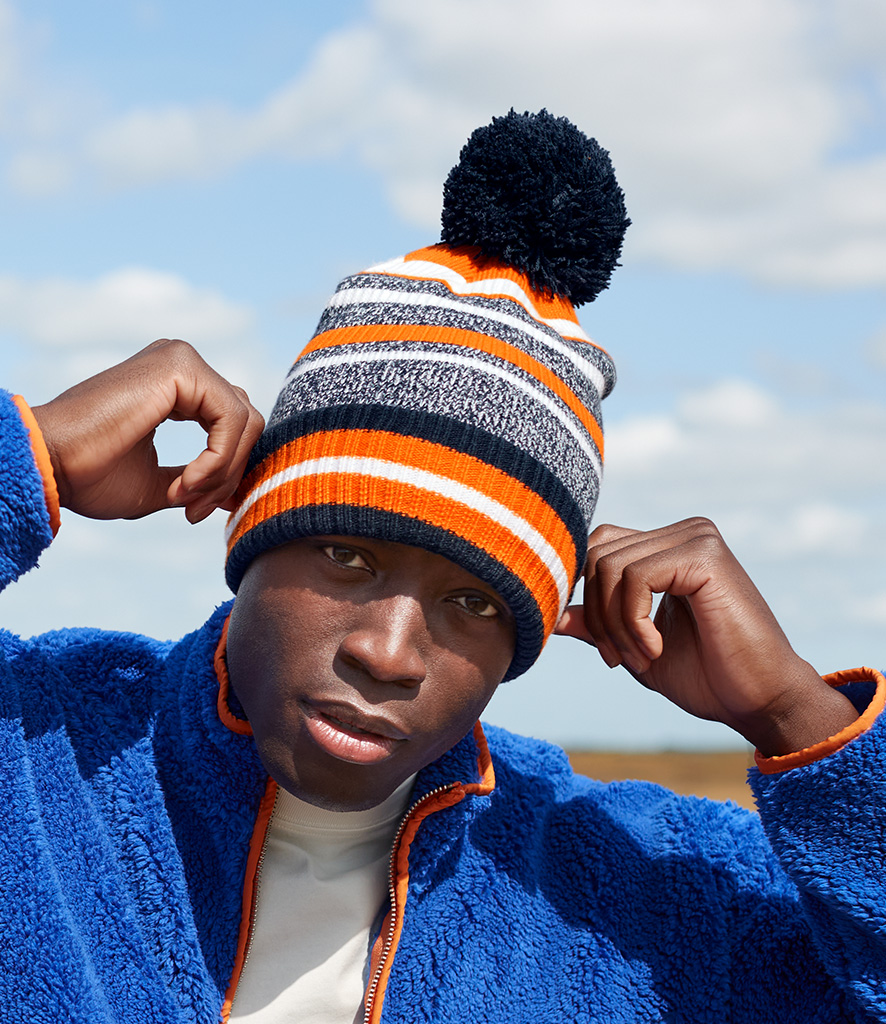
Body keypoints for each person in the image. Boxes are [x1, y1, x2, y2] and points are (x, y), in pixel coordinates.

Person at [2, 111, 884, 1023]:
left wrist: (795, 714)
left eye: (474, 601)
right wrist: (30, 458)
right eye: (347, 555)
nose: (389, 654)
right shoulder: (39, 756)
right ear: (250, 535)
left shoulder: (641, 896)